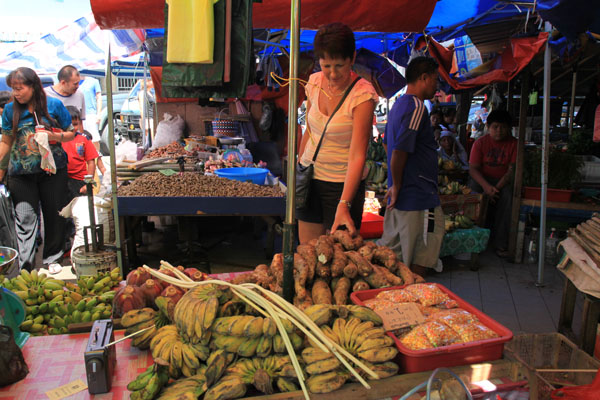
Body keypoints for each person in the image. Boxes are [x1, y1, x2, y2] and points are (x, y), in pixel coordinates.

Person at [297, 22, 378, 243]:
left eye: (339, 66)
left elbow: (357, 154)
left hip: (341, 186)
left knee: (339, 261)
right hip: (309, 180)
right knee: (307, 253)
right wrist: (298, 166)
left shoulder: (362, 96)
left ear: (352, 58)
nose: (332, 74)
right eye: (326, 66)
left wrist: (344, 204)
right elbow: (309, 131)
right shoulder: (313, 83)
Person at [0, 67, 75, 274]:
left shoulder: (54, 105)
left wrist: (54, 137)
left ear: (33, 87)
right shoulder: (9, 111)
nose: (16, 93)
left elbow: (71, 133)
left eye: (20, 88)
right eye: (13, 89)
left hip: (53, 172)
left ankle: (53, 259)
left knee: (54, 215)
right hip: (20, 175)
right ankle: (26, 265)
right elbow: (6, 142)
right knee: (24, 219)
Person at [377, 56, 444, 277]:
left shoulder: (398, 105)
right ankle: (412, 295)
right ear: (424, 78)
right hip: (417, 194)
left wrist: (395, 183)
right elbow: (399, 150)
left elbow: (388, 144)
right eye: (435, 79)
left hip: (406, 193)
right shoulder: (416, 107)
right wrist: (396, 184)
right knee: (419, 253)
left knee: (397, 255)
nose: (437, 85)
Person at [468, 109, 516, 258]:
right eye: (495, 127)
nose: (499, 130)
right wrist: (486, 187)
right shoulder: (480, 143)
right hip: (482, 180)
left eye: (503, 127)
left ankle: (501, 243)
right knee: (472, 193)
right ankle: (471, 241)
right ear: (488, 127)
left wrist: (495, 189)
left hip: (502, 182)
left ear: (509, 128)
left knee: (508, 197)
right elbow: (473, 169)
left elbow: (511, 171)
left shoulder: (514, 144)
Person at [63, 106, 102, 200]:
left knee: (81, 208)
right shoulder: (58, 139)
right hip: (63, 180)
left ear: (80, 124)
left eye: (75, 124)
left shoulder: (84, 139)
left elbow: (91, 162)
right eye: (69, 124)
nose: (72, 128)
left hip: (80, 181)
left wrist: (88, 183)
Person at [77, 76, 102, 149]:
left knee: (94, 138)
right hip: (77, 115)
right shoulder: (73, 82)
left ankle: (96, 156)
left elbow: (99, 98)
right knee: (80, 138)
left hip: (90, 114)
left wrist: (99, 114)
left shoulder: (93, 81)